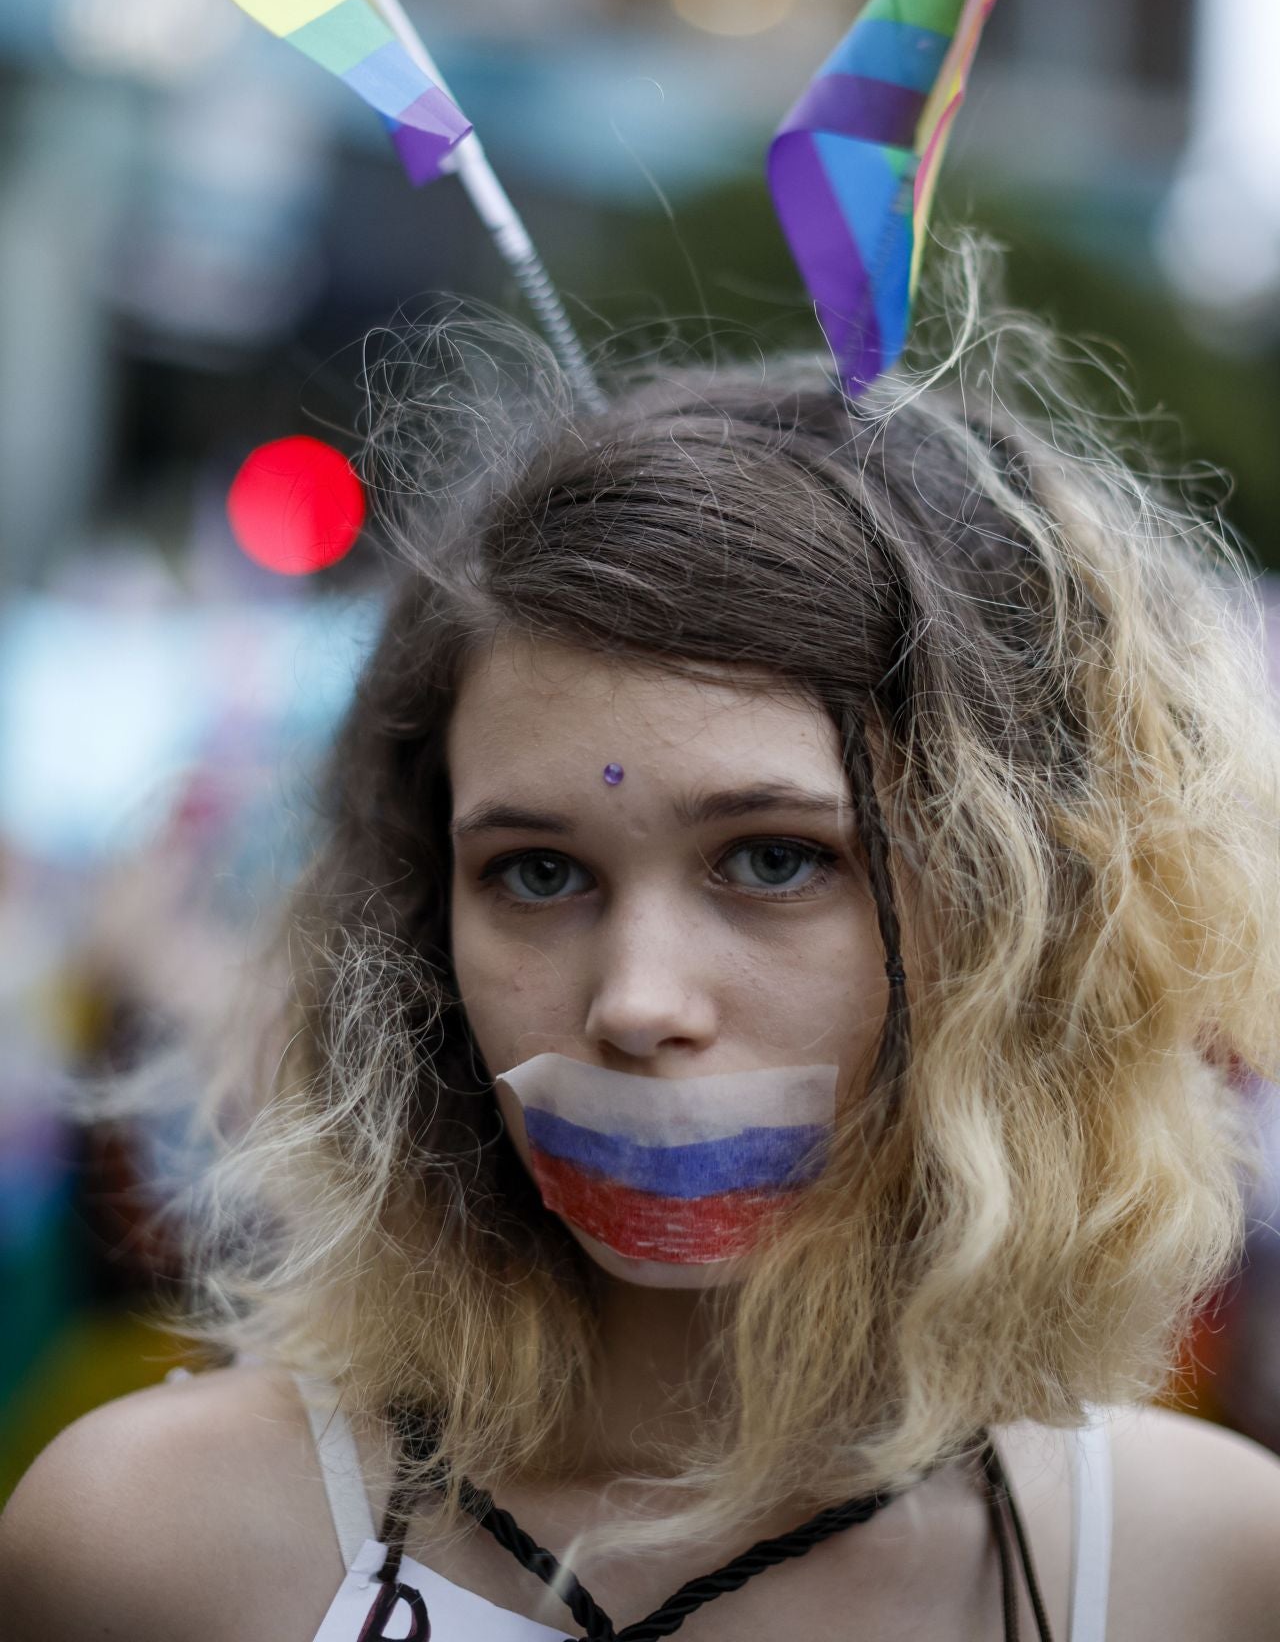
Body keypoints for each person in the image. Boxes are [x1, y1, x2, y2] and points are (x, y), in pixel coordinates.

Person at [3, 280, 1280, 1641]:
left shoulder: (1210, 1570)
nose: (637, 1003)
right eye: (537, 874)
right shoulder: (151, 1550)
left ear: (1032, 911)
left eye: (775, 859)